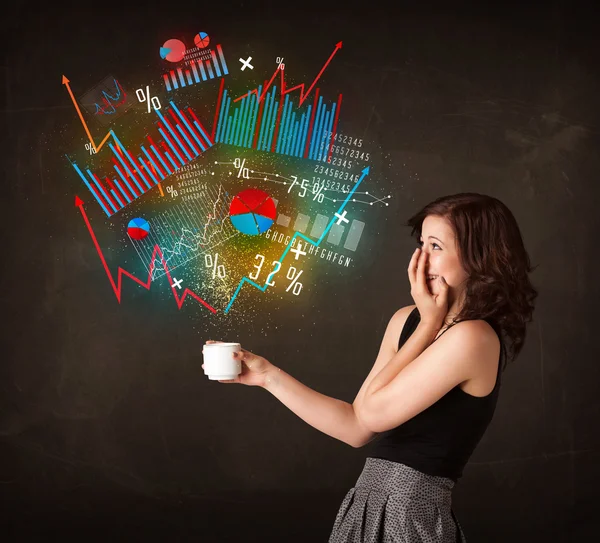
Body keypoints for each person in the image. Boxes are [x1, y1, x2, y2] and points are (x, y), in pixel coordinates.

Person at [204, 193, 538, 542]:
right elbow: (356, 426)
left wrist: (427, 325)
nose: (421, 259)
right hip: (364, 507)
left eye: (436, 246)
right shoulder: (404, 320)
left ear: (478, 257)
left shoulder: (474, 337)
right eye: (421, 244)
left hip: (412, 518)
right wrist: (267, 375)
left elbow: (373, 414)